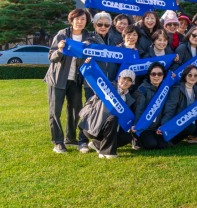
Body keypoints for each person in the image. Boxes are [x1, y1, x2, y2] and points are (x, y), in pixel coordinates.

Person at [45, 8, 92, 154]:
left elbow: (93, 54)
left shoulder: (88, 37)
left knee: (75, 110)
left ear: (86, 22)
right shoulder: (62, 34)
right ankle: (58, 142)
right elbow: (51, 57)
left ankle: (70, 138)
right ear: (71, 20)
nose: (80, 21)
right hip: (57, 79)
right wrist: (59, 50)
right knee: (55, 111)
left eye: (83, 19)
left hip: (75, 80)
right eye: (77, 19)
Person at [79, 68, 137, 159]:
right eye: (124, 78)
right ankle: (106, 152)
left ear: (132, 83)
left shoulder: (128, 97)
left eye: (129, 80)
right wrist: (88, 67)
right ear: (119, 78)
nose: (126, 82)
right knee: (113, 118)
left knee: (127, 137)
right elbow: (93, 83)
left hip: (113, 128)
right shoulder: (108, 87)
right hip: (95, 125)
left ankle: (97, 144)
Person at [159, 65, 197, 144]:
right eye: (190, 75)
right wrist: (164, 126)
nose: (193, 77)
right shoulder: (177, 89)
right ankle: (171, 141)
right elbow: (170, 109)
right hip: (176, 120)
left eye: (196, 75)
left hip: (190, 120)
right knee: (190, 127)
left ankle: (196, 135)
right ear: (185, 75)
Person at [132, 63, 172, 150]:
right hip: (145, 127)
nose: (156, 76)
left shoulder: (165, 89)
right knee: (151, 145)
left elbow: (168, 109)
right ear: (149, 75)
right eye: (153, 74)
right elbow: (139, 109)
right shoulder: (142, 89)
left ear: (163, 76)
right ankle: (136, 140)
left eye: (160, 74)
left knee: (162, 145)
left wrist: (162, 125)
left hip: (157, 126)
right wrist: (137, 126)